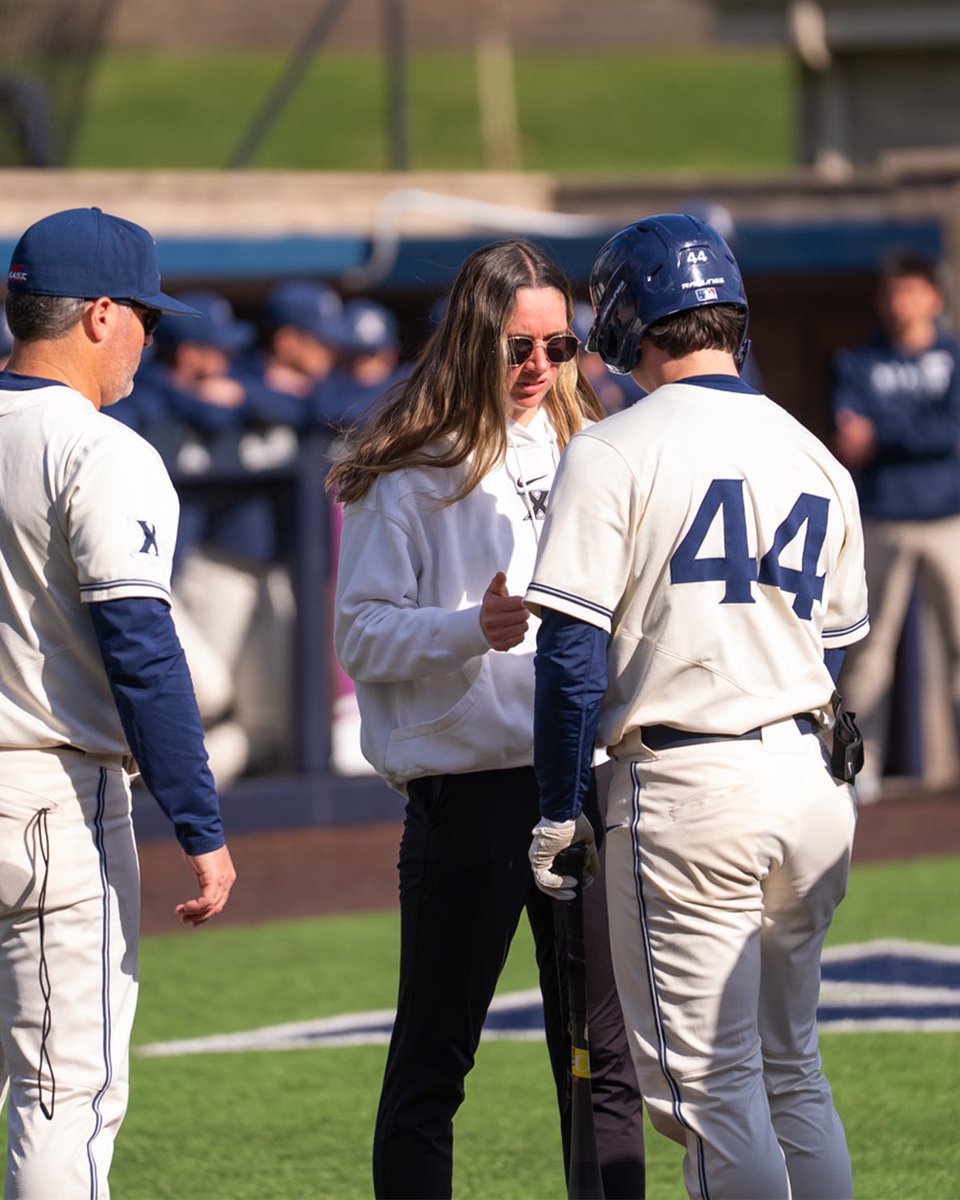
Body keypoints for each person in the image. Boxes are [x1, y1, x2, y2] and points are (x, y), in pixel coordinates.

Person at [524, 214, 869, 1200]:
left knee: (713, 1095)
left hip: (688, 785)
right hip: (809, 779)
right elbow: (837, 638)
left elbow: (570, 653)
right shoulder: (814, 454)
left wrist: (556, 804)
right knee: (791, 1070)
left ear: (631, 320)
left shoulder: (612, 449)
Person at [328, 239, 647, 1199]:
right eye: (518, 346)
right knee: (433, 1062)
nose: (540, 368)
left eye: (561, 345)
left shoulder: (596, 448)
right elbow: (360, 634)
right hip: (469, 795)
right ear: (472, 339)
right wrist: (474, 627)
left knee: (605, 1065)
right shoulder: (412, 469)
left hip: (581, 781)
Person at [0, 206, 236, 1197]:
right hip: (50, 789)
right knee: (65, 1093)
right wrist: (201, 822)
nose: (152, 332)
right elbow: (142, 650)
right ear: (99, 315)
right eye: (144, 312)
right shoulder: (99, 448)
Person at [126, 291, 297, 788]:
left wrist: (241, 397)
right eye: (214, 349)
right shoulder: (147, 401)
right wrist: (200, 399)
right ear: (186, 352)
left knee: (259, 730)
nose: (227, 360)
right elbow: (166, 402)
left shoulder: (238, 391)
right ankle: (138, 783)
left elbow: (311, 405)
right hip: (162, 578)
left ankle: (161, 789)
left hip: (243, 570)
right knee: (204, 695)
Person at [830, 248, 960, 801]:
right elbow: (849, 440)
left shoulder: (953, 357)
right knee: (868, 654)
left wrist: (884, 433)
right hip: (882, 520)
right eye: (891, 292)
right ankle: (863, 767)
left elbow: (949, 432)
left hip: (947, 519)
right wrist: (914, 430)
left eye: (909, 289)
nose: (898, 302)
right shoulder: (858, 361)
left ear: (934, 296)